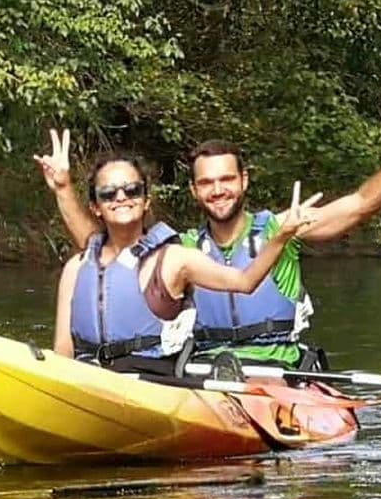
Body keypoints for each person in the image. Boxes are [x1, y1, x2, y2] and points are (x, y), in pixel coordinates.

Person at [36, 88, 381, 371]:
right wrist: (64, 189)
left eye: (226, 179)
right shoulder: (181, 248)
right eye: (206, 183)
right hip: (206, 371)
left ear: (244, 181)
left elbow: (360, 204)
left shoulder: (282, 227)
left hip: (278, 367)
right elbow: (102, 253)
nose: (218, 190)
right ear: (194, 190)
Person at [48, 151, 320, 376]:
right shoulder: (76, 267)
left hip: (150, 380)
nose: (121, 198)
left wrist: (281, 237)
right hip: (90, 376)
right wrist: (63, 188)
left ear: (146, 201)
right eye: (108, 193)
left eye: (132, 190)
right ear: (95, 206)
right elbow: (63, 350)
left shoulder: (177, 258)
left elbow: (245, 282)